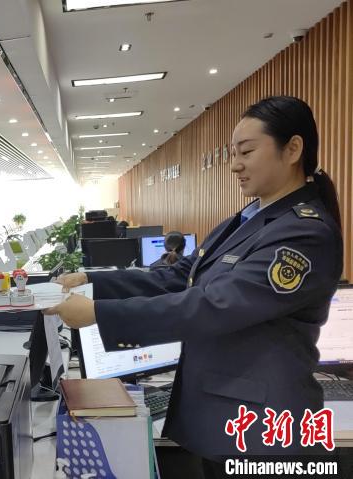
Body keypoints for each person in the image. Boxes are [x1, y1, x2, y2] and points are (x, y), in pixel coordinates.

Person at [48, 96, 342, 475]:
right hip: (227, 417)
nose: (235, 165)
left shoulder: (303, 233)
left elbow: (214, 305)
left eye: (247, 152)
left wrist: (97, 314)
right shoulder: (246, 220)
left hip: (261, 430)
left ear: (293, 149)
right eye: (233, 154)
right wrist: (92, 279)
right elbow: (175, 276)